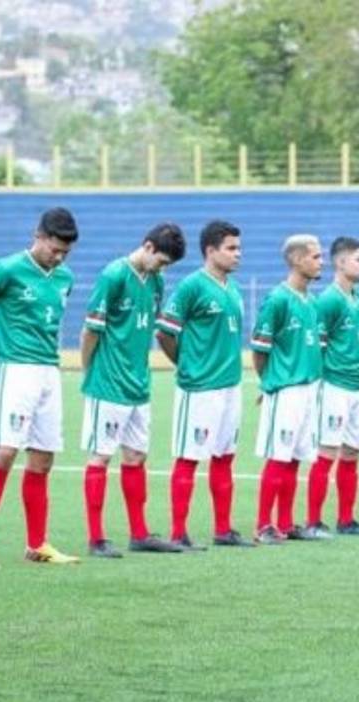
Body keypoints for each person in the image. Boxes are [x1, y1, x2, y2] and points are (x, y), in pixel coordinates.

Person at [0, 208, 81, 569]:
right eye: (54, 249)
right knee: (5, 452)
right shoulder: (7, 269)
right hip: (15, 371)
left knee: (42, 459)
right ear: (38, 236)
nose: (58, 257)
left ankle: (37, 543)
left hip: (49, 373)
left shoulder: (64, 277)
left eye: (64, 253)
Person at [81, 223, 188, 558]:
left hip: (138, 384)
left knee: (136, 456)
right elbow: (90, 331)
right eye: (162, 261)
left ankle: (139, 533)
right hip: (108, 384)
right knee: (101, 457)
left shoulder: (156, 281)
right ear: (147, 246)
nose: (163, 268)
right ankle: (97, 537)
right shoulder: (113, 275)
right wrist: (90, 371)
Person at [157, 220, 249, 548]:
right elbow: (164, 332)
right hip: (199, 388)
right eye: (231, 248)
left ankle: (223, 530)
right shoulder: (192, 286)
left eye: (239, 248)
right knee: (189, 457)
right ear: (211, 251)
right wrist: (186, 364)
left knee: (224, 456)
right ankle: (178, 532)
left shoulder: (233, 288)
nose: (238, 254)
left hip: (230, 386)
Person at [251, 234, 326, 544]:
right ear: (297, 260)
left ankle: (285, 522)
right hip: (286, 390)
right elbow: (260, 348)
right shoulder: (278, 299)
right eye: (316, 256)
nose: (321, 262)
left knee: (295, 457)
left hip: (309, 388)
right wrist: (269, 382)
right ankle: (263, 525)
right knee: (278, 457)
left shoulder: (310, 301)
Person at [306, 237, 359, 536]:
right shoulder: (329, 300)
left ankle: (346, 519)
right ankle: (313, 522)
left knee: (352, 453)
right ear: (340, 263)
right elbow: (317, 348)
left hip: (358, 386)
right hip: (334, 385)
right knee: (327, 453)